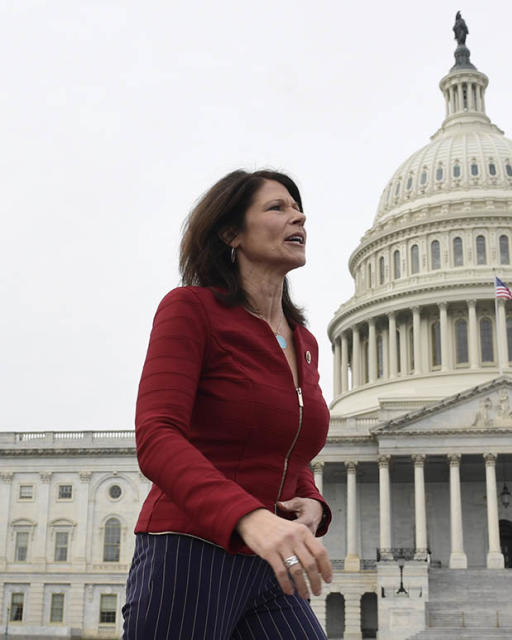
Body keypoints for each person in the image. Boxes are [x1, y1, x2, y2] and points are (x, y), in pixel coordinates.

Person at [122, 170, 333, 639]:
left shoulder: (304, 342)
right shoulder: (191, 309)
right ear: (231, 233)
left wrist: (312, 501)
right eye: (277, 207)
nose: (298, 215)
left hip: (271, 562)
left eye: (298, 208)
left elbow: (291, 448)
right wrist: (247, 517)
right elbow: (156, 436)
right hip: (189, 554)